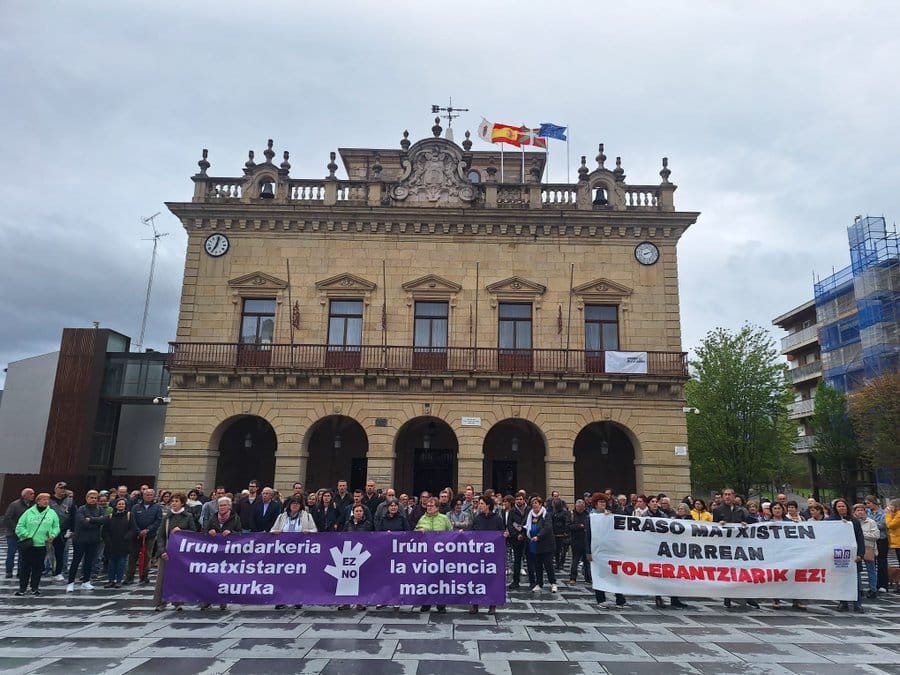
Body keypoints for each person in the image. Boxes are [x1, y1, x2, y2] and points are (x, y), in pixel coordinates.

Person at [155, 492, 198, 611]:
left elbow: (194, 533)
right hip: (167, 551)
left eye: (176, 501)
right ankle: (161, 602)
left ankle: (178, 601)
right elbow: (161, 536)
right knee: (162, 578)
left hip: (181, 553)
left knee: (179, 577)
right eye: (172, 501)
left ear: (182, 503)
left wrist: (182, 530)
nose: (173, 503)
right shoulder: (167, 517)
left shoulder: (188, 516)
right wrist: (162, 550)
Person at [584, 494, 626, 607]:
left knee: (615, 573)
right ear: (596, 504)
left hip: (610, 549)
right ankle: (601, 599)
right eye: (600, 502)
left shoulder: (610, 515)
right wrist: (588, 551)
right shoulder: (591, 517)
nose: (603, 503)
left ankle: (619, 597)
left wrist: (610, 517)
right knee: (599, 574)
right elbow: (588, 535)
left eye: (604, 502)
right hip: (597, 550)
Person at [15, 492, 60, 596]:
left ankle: (34, 588)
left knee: (38, 568)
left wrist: (53, 535)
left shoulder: (52, 513)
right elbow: (20, 526)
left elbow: (56, 526)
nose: (46, 501)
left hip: (42, 545)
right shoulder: (29, 512)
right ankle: (22, 588)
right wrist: (26, 534)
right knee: (25, 567)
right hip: (29, 545)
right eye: (43, 499)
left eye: (47, 499)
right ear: (38, 501)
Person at [202, 496, 242, 610]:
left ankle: (222, 600)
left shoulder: (235, 518)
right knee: (210, 577)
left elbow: (240, 533)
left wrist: (231, 532)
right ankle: (207, 600)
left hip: (228, 553)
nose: (222, 507)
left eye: (225, 505)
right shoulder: (213, 517)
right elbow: (205, 530)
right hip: (214, 552)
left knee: (223, 577)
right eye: (220, 505)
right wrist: (209, 531)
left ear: (229, 506)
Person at [414, 497, 452, 613]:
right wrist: (419, 531)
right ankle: (426, 603)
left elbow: (451, 533)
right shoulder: (422, 518)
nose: (428, 508)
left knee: (441, 580)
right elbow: (414, 532)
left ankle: (441, 604)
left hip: (441, 555)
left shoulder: (444, 519)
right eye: (427, 506)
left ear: (437, 507)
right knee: (427, 579)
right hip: (427, 555)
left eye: (431, 506)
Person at [66, 490, 108, 592]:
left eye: (95, 498)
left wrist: (91, 519)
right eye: (91, 497)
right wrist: (95, 521)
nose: (93, 500)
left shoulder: (100, 509)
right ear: (87, 498)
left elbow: (104, 520)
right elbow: (82, 522)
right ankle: (70, 583)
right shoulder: (81, 509)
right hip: (80, 539)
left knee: (89, 561)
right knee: (76, 561)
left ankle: (86, 581)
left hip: (93, 539)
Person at [830, 497, 866, 613]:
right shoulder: (831, 521)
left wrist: (860, 554)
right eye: (839, 506)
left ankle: (858, 604)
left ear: (847, 507)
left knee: (856, 581)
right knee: (841, 580)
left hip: (853, 555)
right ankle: (843, 603)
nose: (841, 508)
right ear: (835, 509)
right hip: (838, 555)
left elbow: (860, 538)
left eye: (843, 506)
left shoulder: (854, 521)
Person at [470, 495, 503, 614]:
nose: (479, 506)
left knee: (492, 580)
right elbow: (472, 533)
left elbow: (501, 533)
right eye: (479, 504)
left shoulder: (497, 519)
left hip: (492, 555)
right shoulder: (477, 518)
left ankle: (492, 605)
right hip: (479, 555)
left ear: (488, 505)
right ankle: (475, 604)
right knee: (476, 579)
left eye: (482, 504)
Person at [525, 496, 556, 594]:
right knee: (537, 565)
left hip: (545, 544)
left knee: (548, 565)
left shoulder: (546, 514)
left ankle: (553, 583)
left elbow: (547, 528)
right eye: (532, 503)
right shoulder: (530, 515)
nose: (534, 505)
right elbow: (526, 526)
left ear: (540, 504)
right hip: (534, 544)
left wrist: (538, 536)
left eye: (536, 503)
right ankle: (539, 583)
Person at [103, 497, 134, 588]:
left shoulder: (129, 515)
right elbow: (105, 530)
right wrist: (108, 540)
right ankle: (111, 580)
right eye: (119, 504)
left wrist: (127, 537)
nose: (121, 505)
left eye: (123, 504)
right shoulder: (111, 516)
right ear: (116, 505)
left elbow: (133, 529)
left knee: (121, 563)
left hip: (124, 543)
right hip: (112, 543)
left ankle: (119, 580)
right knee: (111, 563)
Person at [4, 488, 34, 579]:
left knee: (23, 554)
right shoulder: (14, 505)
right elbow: (7, 518)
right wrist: (16, 530)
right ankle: (9, 572)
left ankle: (20, 572)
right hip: (13, 534)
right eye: (31, 493)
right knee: (11, 553)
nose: (33, 495)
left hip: (25, 534)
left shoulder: (32, 506)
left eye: (33, 493)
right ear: (24, 495)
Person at [853, 503, 879, 600]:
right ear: (854, 512)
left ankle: (873, 589)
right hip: (857, 548)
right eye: (857, 510)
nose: (860, 512)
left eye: (862, 510)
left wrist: (862, 534)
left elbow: (876, 535)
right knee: (858, 570)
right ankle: (859, 589)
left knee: (871, 569)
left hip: (868, 547)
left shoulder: (871, 522)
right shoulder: (852, 522)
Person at [48, 481, 73, 581]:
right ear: (55, 489)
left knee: (60, 553)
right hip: (48, 531)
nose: (62, 490)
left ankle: (58, 572)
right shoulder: (49, 500)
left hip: (63, 531)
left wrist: (72, 530)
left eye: (64, 488)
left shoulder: (70, 501)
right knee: (46, 552)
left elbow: (73, 516)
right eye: (60, 488)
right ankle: (43, 569)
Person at [504, 493, 528, 590]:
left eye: (520, 499)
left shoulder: (529, 510)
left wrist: (523, 534)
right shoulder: (512, 511)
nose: (519, 501)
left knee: (530, 561)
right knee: (516, 561)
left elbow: (528, 524)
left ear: (524, 500)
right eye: (517, 499)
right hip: (516, 539)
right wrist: (516, 535)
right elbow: (509, 524)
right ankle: (515, 581)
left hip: (527, 538)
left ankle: (534, 582)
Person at [568, 499, 591, 586]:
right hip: (576, 541)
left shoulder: (587, 515)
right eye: (579, 507)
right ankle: (573, 578)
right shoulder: (572, 514)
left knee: (587, 561)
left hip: (586, 541)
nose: (581, 509)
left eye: (582, 507)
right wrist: (579, 526)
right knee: (575, 560)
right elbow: (568, 526)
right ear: (576, 506)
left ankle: (588, 578)